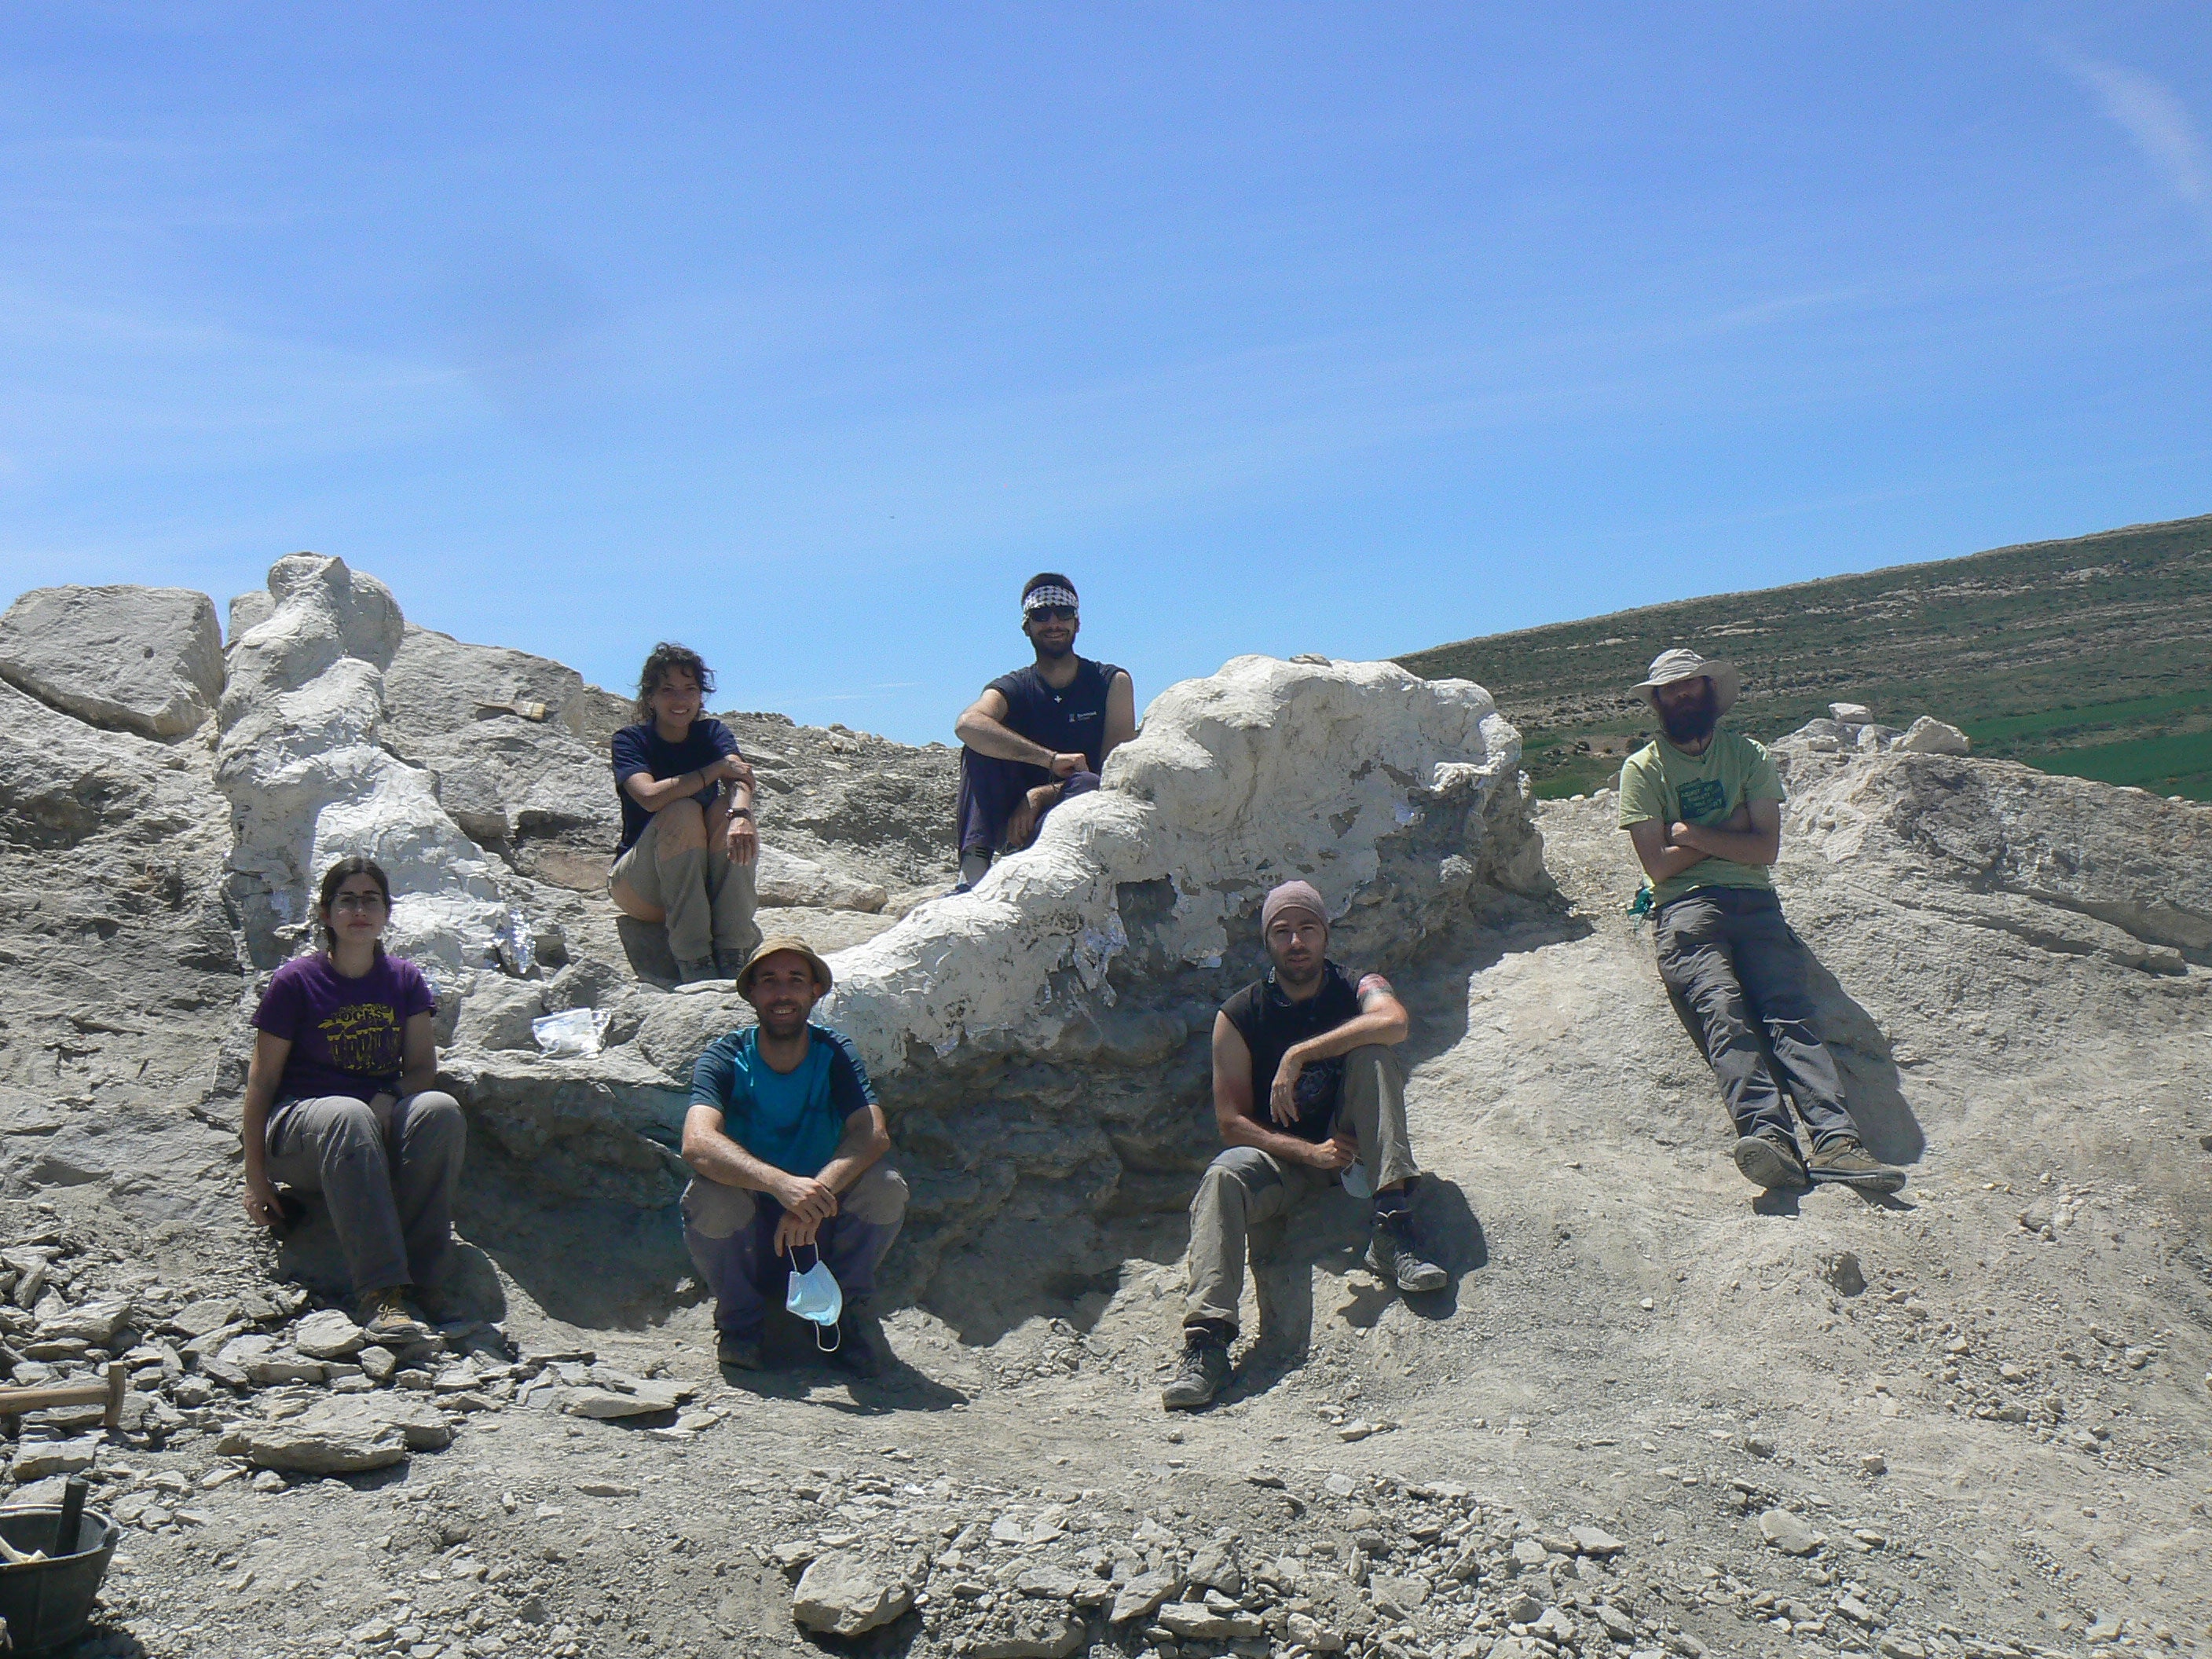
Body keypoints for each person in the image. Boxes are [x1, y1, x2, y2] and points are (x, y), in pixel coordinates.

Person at [1617, 648, 1906, 1195]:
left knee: (1787, 1012)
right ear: (1656, 702)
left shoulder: (1748, 754)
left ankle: (1839, 1143)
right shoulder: (1643, 769)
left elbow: (1766, 848)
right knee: (1723, 1010)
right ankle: (1769, 1141)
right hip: (1685, 908)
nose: (1681, 697)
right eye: (1669, 691)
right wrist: (1732, 828)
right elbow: (1656, 865)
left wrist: (1692, 833)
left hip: (1755, 903)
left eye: (1689, 686)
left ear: (1708, 691)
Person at [1162, 881, 1447, 1411]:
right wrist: (1308, 1154)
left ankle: (1393, 1228)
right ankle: (1208, 1342)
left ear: (1325, 933)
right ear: (1267, 942)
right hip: (1287, 1160)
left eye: (1307, 928)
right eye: (1283, 931)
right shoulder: (1240, 1014)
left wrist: (1299, 1053)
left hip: (1355, 1147)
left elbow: (1395, 1022)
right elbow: (1231, 1123)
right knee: (1223, 1174)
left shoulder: (1356, 985)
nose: (1296, 941)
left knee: (1376, 1055)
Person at [240, 856, 466, 1346]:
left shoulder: (404, 980)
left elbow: (423, 1070)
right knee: (347, 1113)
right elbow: (261, 1083)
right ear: (325, 914)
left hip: (375, 1121)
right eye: (347, 900)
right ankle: (381, 1292)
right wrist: (255, 1178)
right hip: (302, 1129)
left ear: (387, 913)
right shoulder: (296, 983)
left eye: (371, 900)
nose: (359, 910)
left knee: (440, 1111)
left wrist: (390, 1096)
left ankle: (425, 1281)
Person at [679, 937, 909, 1379]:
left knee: (885, 1189)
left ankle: (847, 1314)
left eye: (795, 981)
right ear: (750, 993)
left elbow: (872, 1133)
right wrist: (781, 1186)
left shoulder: (834, 1053)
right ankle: (740, 1326)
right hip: (752, 1225)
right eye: (768, 981)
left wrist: (814, 1195)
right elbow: (698, 1143)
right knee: (710, 1197)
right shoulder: (725, 1057)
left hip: (818, 1222)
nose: (782, 993)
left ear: (815, 991)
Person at [951, 573, 1137, 889]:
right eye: (1041, 615)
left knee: (1089, 783)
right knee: (978, 749)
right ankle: (972, 877)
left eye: (1063, 613)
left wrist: (1041, 795)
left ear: (1077, 623)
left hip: (1075, 806)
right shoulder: (1015, 687)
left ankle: (1042, 870)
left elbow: (1114, 776)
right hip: (1015, 821)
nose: (1053, 623)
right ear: (1027, 626)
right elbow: (968, 724)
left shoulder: (1111, 683)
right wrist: (1048, 760)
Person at [608, 643, 761, 983]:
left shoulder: (712, 734)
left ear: (701, 696)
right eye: (668, 691)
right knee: (680, 810)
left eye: (690, 690)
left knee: (727, 809)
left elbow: (739, 775)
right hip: (641, 888)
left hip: (699, 884)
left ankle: (734, 949)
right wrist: (712, 772)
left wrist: (740, 815)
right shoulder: (630, 740)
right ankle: (694, 959)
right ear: (650, 698)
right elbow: (648, 797)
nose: (680, 701)